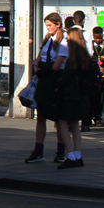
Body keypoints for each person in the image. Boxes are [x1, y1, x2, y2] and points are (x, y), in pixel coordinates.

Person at [25, 13, 68, 164]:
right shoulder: (47, 39)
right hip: (43, 79)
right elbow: (38, 58)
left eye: (50, 25)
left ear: (58, 24)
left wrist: (42, 68)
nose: (48, 28)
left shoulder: (64, 40)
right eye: (46, 26)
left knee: (58, 117)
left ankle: (61, 151)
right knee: (41, 116)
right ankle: (38, 150)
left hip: (55, 79)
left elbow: (58, 64)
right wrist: (36, 66)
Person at [55, 27, 94, 168]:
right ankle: (78, 155)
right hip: (81, 95)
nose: (66, 41)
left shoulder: (73, 58)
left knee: (61, 123)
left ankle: (70, 155)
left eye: (67, 39)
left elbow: (66, 76)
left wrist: (57, 85)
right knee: (75, 124)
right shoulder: (85, 57)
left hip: (69, 94)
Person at [89, 26, 104, 127]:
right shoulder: (90, 46)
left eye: (100, 38)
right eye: (96, 38)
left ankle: (98, 117)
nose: (98, 40)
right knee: (92, 97)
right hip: (93, 75)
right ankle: (90, 116)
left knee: (101, 97)